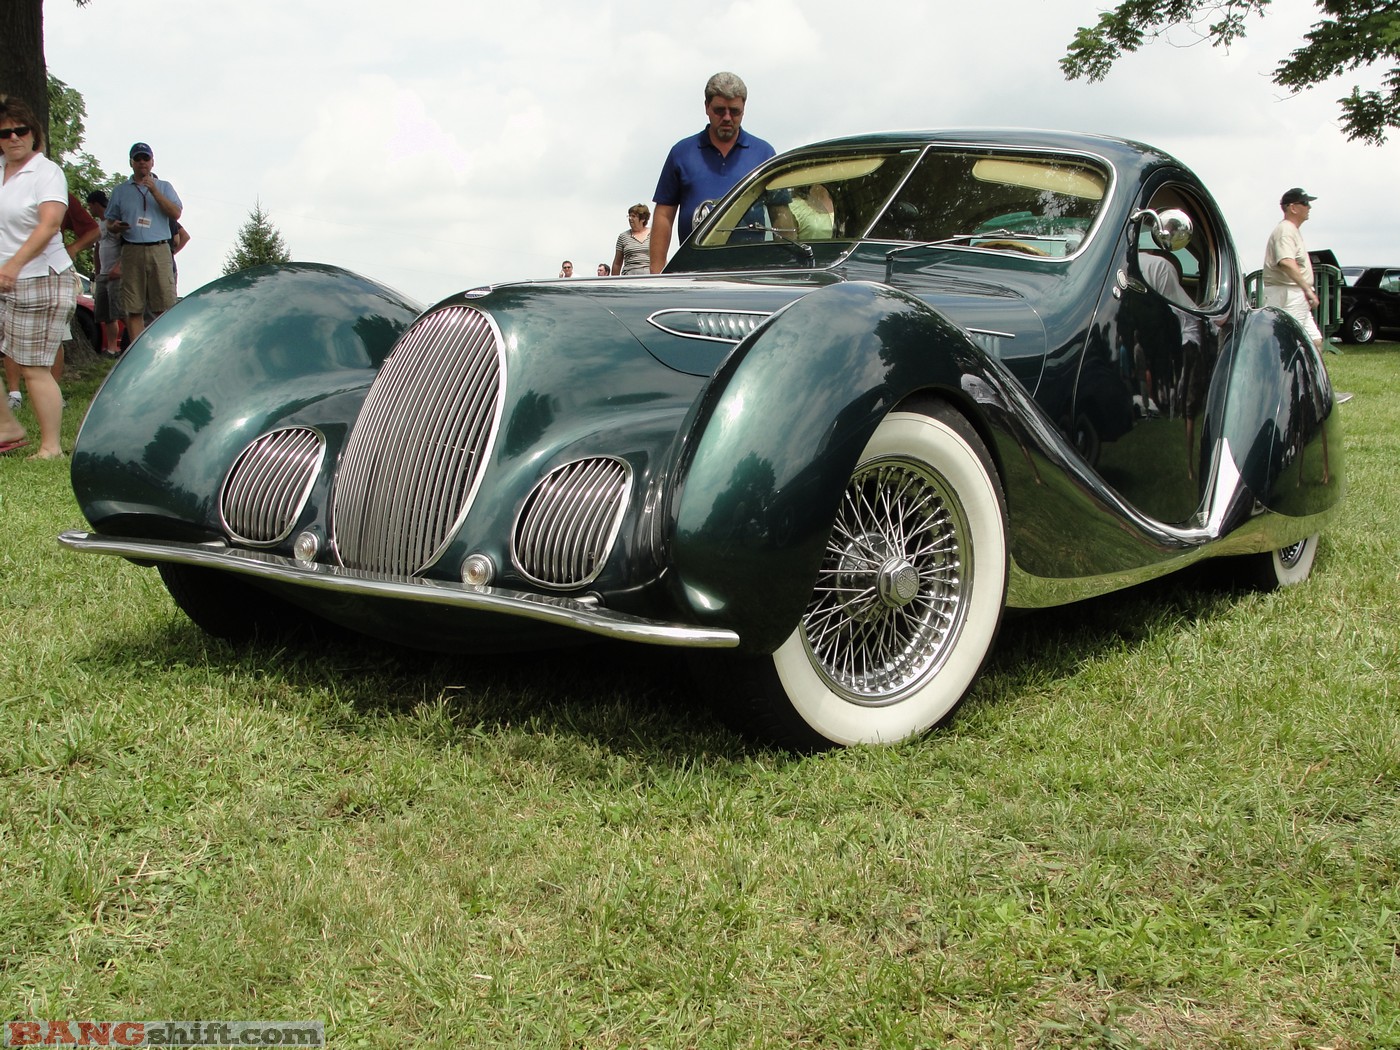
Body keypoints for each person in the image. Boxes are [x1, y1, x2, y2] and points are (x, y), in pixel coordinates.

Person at [0, 96, 78, 459]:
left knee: (34, 369)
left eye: (21, 130)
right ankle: (8, 427)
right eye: (4, 132)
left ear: (34, 134)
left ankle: (51, 448)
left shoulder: (47, 172)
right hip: (5, 276)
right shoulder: (0, 170)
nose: (13, 137)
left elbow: (49, 224)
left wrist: (13, 265)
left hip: (40, 277)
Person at [649, 72, 776, 273]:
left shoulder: (764, 154)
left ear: (744, 110)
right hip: (693, 273)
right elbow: (664, 214)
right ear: (707, 107)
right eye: (719, 110)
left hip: (751, 274)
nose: (727, 118)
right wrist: (656, 273)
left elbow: (780, 214)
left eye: (734, 111)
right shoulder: (681, 153)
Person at [4, 191, 97, 407]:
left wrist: (73, 248)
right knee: (11, 334)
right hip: (14, 269)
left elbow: (93, 230)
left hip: (50, 271)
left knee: (56, 337)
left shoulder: (58, 192)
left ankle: (53, 396)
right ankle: (15, 395)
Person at [105, 141, 182, 343]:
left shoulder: (164, 187)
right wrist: (115, 227)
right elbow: (109, 222)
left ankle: (166, 349)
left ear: (152, 162)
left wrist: (154, 191)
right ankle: (139, 353)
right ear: (131, 163)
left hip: (160, 249)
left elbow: (176, 213)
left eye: (145, 158)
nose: (142, 163)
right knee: (133, 306)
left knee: (164, 305)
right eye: (137, 159)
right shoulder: (121, 191)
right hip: (131, 251)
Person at [1262, 188, 1323, 353]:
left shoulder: (1291, 230)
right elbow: (1286, 261)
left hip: (1295, 293)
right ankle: (1284, 377)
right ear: (1292, 208)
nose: (1309, 207)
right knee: (1287, 341)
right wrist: (1307, 289)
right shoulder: (1285, 230)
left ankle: (1307, 377)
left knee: (1315, 341)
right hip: (1289, 292)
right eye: (1305, 203)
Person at [86, 188, 125, 354]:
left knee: (121, 312)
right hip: (103, 274)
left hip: (116, 274)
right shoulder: (98, 225)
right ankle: (111, 349)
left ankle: (131, 345)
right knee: (107, 315)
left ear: (96, 204)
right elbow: (98, 248)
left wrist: (119, 268)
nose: (89, 210)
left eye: (90, 206)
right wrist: (97, 271)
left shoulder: (115, 222)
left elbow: (126, 245)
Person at [610, 204, 651, 276]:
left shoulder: (654, 234)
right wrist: (614, 283)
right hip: (630, 274)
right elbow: (617, 263)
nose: (630, 218)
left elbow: (662, 258)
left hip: (650, 274)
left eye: (633, 216)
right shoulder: (623, 236)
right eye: (629, 216)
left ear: (643, 219)